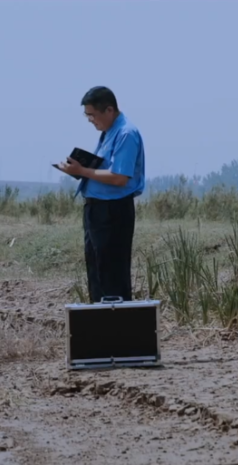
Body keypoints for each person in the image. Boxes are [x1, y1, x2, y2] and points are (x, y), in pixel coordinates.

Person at [57, 86, 145, 303]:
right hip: (96, 210)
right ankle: (100, 317)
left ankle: (115, 320)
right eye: (87, 115)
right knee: (97, 271)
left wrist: (82, 171)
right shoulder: (108, 133)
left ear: (109, 110)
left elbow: (119, 177)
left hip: (113, 211)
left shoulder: (126, 133)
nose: (90, 120)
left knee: (112, 274)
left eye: (92, 115)